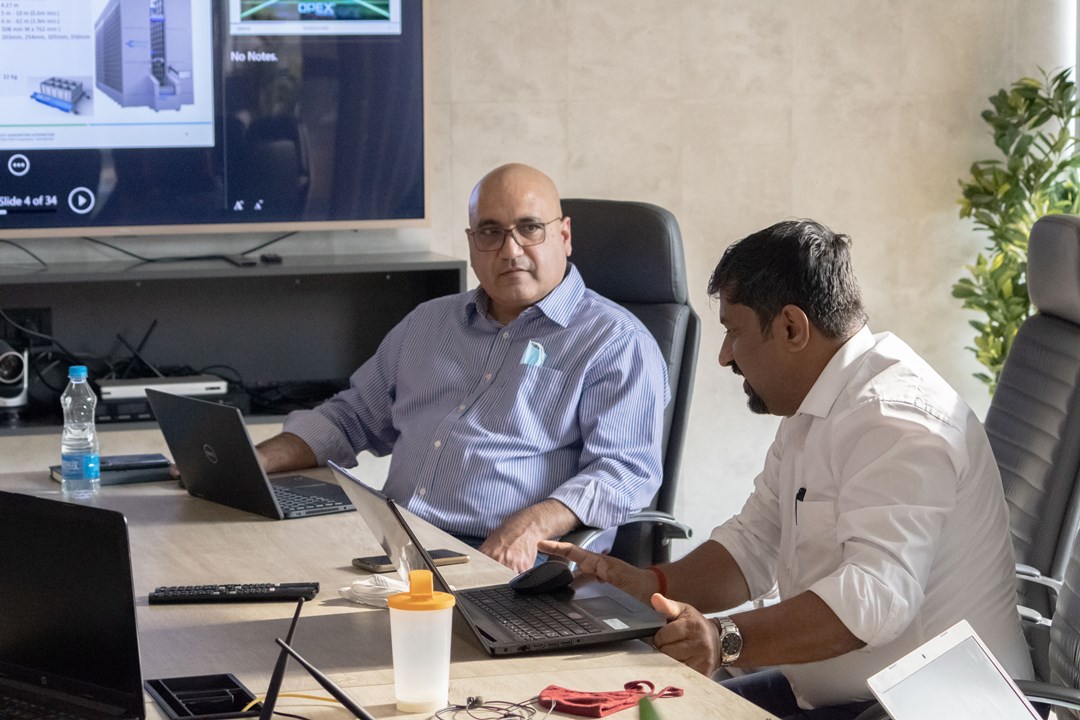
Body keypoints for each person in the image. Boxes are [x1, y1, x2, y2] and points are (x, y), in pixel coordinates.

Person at [540, 219, 1032, 719]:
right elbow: (753, 545)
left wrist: (724, 638)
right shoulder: (816, 407)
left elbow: (874, 600)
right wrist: (649, 586)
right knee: (636, 711)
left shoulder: (897, 420)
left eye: (734, 331)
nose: (724, 356)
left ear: (792, 328)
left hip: (917, 709)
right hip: (837, 696)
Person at [256, 163, 670, 572]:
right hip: (391, 542)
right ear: (472, 243)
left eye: (529, 228)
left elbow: (624, 472)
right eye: (491, 232)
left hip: (503, 558)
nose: (510, 251)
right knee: (257, 567)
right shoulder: (428, 322)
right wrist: (258, 460)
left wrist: (531, 525)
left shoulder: (616, 341)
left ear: (564, 236)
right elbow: (352, 416)